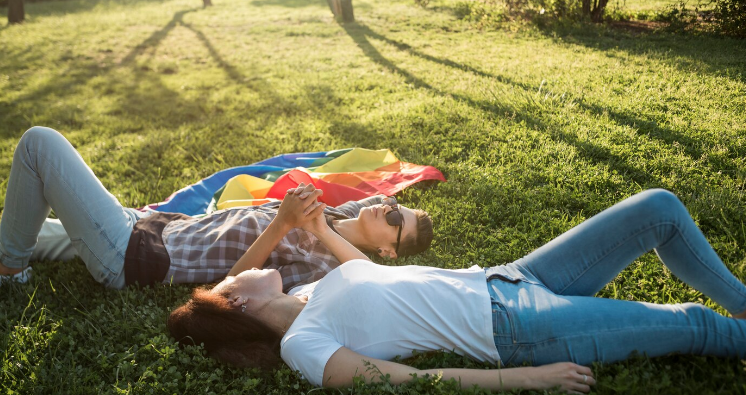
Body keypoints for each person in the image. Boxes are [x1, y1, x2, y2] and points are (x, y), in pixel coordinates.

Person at [169, 189, 746, 393]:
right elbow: (418, 381)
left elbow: (374, 273)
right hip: (516, 329)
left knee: (659, 209)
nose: (232, 275)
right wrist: (530, 378)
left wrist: (318, 228)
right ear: (236, 302)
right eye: (225, 285)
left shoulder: (313, 292)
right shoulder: (304, 346)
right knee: (695, 322)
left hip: (513, 276)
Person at [0, 127, 433, 289]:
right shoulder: (341, 217)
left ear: (388, 252)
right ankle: (12, 250)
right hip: (152, 225)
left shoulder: (326, 267)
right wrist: (383, 200)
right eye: (392, 204)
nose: (385, 207)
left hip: (132, 255)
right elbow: (373, 202)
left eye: (395, 219)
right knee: (13, 226)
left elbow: (230, 288)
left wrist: (283, 224)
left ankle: (10, 271)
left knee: (40, 144)